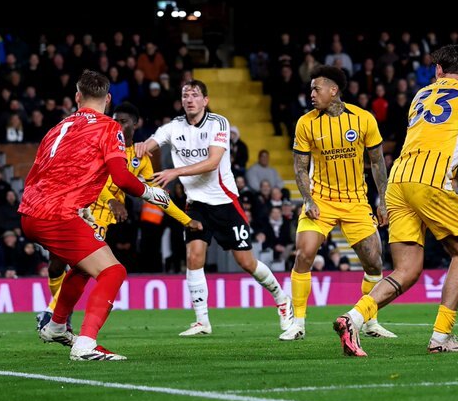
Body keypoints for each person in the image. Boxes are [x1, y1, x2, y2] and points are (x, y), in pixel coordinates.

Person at [333, 45, 458, 356]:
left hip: (398, 181)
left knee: (407, 270)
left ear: (438, 70)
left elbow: (437, 142)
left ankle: (353, 317)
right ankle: (441, 336)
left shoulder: (420, 95)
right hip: (432, 181)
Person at [19, 69, 173, 361]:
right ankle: (86, 343)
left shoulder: (58, 128)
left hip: (31, 211)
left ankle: (56, 326)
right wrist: (152, 194)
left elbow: (39, 175)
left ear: (77, 97)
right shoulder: (108, 127)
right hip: (56, 214)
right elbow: (122, 177)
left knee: (82, 267)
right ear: (109, 99)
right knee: (114, 271)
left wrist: (81, 207)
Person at [135, 80, 294, 338]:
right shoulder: (174, 127)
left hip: (225, 202)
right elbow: (148, 144)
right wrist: (137, 149)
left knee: (245, 261)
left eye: (195, 95)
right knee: (194, 257)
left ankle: (282, 298)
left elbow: (212, 163)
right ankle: (202, 321)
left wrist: (175, 172)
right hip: (196, 205)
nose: (189, 99)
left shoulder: (218, 123)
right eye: (185, 94)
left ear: (205, 100)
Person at [35, 101, 196, 331]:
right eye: (115, 121)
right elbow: (89, 177)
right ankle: (60, 315)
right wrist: (111, 199)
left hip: (96, 218)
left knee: (80, 269)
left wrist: (186, 220)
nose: (118, 126)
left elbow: (156, 195)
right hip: (75, 207)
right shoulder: (104, 145)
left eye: (123, 122)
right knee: (56, 266)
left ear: (135, 124)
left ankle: (53, 315)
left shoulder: (141, 159)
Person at [280, 65, 394, 341]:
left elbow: (378, 162)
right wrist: (307, 199)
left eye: (316, 88)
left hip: (356, 201)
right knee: (304, 254)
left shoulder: (363, 119)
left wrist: (383, 201)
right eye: (311, 89)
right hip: (321, 199)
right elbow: (299, 167)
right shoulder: (306, 122)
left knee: (374, 263)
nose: (312, 93)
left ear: (334, 90)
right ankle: (298, 323)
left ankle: (370, 321)